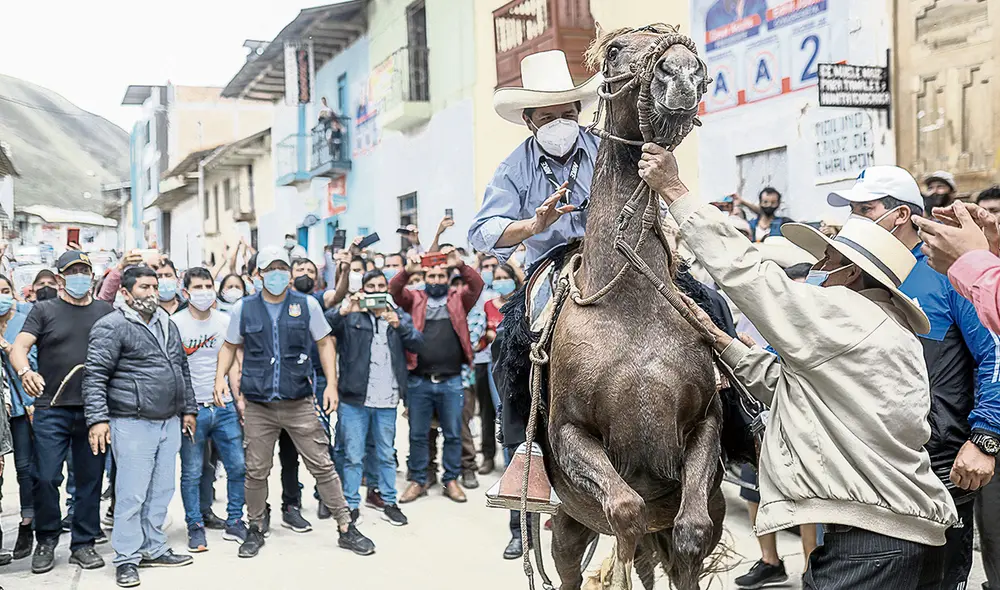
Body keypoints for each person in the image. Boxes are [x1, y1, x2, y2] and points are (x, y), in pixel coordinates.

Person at [640, 144, 957, 588]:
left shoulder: (845, 313)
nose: (817, 269)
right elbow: (791, 387)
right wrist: (723, 343)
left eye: (826, 260)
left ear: (850, 273)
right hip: (894, 533)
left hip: (873, 542)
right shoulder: (880, 325)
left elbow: (747, 272)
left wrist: (675, 191)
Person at [829, 165, 1000, 589]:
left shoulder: (948, 274)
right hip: (863, 468)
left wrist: (985, 438)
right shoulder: (844, 273)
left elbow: (994, 352)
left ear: (900, 215)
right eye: (851, 210)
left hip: (937, 468)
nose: (854, 220)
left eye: (864, 209)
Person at [213, 246, 374, 558]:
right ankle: (256, 527)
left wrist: (332, 385)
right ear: (257, 275)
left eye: (281, 268)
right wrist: (220, 377)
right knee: (256, 470)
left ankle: (346, 526)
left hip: (298, 401)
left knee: (323, 465)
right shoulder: (243, 309)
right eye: (269, 269)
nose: (276, 274)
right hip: (259, 405)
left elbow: (325, 343)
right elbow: (230, 345)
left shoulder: (307, 304)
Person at [83, 266, 197, 587]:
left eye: (154, 286)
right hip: (131, 421)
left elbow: (181, 368)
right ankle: (127, 558)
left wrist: (188, 409)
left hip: (168, 420)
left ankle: (154, 547)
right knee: (132, 494)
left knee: (162, 490)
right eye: (144, 287)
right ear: (126, 292)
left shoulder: (167, 323)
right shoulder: (112, 326)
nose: (151, 292)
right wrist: (98, 419)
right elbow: (94, 376)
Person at [11, 251, 114, 575]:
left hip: (94, 410)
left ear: (92, 276)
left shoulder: (105, 311)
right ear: (59, 278)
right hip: (51, 409)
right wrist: (26, 372)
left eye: (85, 270)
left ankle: (83, 543)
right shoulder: (44, 310)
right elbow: (19, 348)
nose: (80, 276)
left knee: (89, 479)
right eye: (73, 271)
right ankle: (46, 539)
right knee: (45, 476)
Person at [469, 49, 600, 268]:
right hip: (548, 267)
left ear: (578, 112)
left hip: (611, 260)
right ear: (529, 122)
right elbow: (482, 232)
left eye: (568, 116)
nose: (559, 124)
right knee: (521, 304)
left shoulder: (606, 148)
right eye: (547, 118)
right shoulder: (513, 169)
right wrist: (532, 226)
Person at [328, 269, 423, 526]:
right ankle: (350, 503)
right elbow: (324, 327)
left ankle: (389, 501)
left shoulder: (396, 315)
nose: (377, 290)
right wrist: (345, 309)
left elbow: (418, 342)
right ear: (363, 289)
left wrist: (397, 324)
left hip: (387, 399)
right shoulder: (352, 316)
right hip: (354, 399)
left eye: (382, 285)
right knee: (353, 455)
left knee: (385, 453)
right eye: (371, 286)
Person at [390, 254, 484, 504]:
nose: (436, 279)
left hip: (451, 381)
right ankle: (418, 480)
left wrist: (460, 265)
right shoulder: (415, 299)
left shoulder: (459, 299)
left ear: (447, 279)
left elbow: (476, 284)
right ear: (424, 278)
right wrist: (408, 271)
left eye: (441, 275)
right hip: (419, 381)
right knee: (418, 434)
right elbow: (395, 290)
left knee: (453, 434)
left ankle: (451, 480)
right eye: (431, 276)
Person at [172, 267, 248, 552]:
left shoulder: (225, 321)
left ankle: (235, 520)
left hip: (224, 406)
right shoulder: (175, 324)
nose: (204, 291)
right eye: (198, 287)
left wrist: (239, 401)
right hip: (192, 409)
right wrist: (183, 408)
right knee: (192, 470)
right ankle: (195, 525)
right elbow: (174, 369)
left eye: (208, 286)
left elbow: (235, 363)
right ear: (186, 291)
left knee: (237, 465)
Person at [0, 273, 37, 561]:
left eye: (4, 290)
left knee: (26, 469)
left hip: (23, 409)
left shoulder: (25, 318)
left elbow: (30, 363)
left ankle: (27, 525)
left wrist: (9, 348)